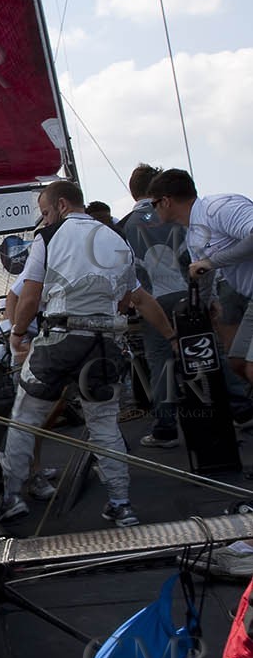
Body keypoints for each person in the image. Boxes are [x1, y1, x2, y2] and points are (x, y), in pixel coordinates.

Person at [0, 179, 179, 527]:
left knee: (24, 418)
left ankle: (12, 499)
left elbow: (30, 296)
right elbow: (137, 299)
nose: (44, 220)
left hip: (60, 341)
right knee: (105, 423)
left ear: (62, 205)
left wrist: (17, 335)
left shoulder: (47, 238)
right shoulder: (116, 239)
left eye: (45, 212)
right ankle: (121, 504)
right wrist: (170, 335)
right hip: (105, 345)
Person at [148, 169, 253, 391]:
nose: (153, 211)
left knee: (251, 367)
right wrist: (199, 309)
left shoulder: (219, 208)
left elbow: (208, 265)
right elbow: (203, 278)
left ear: (165, 201)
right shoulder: (194, 234)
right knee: (238, 362)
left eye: (153, 204)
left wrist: (212, 262)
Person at [120, 162, 188, 448]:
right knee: (205, 354)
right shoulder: (173, 215)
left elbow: (126, 273)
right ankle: (238, 409)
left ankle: (165, 429)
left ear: (133, 191)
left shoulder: (125, 226)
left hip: (153, 303)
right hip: (188, 296)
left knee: (161, 365)